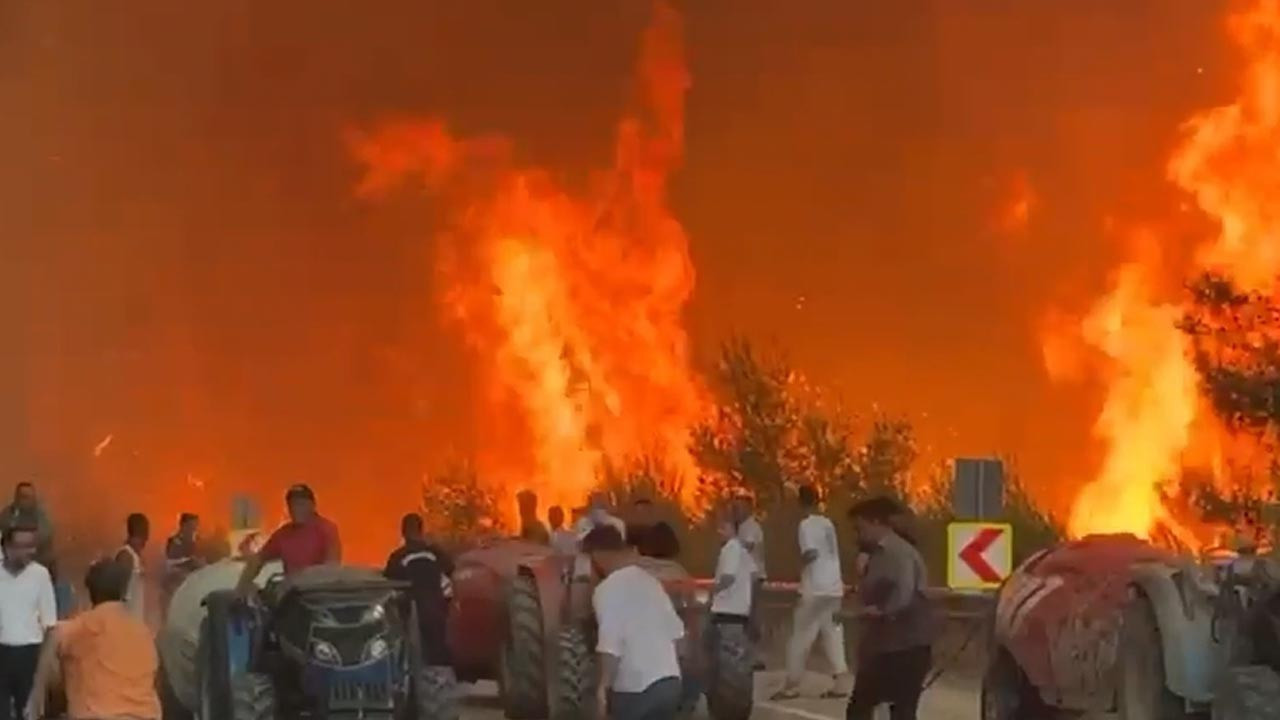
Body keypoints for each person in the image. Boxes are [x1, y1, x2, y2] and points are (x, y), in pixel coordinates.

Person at [25, 559, 160, 720]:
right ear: (124, 593)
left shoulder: (87, 625)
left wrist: (36, 695)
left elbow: (53, 635)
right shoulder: (142, 631)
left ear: (89, 592)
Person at [845, 497, 938, 720]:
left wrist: (880, 612)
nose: (858, 535)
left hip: (903, 647)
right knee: (878, 708)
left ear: (876, 522)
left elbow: (903, 595)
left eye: (860, 528)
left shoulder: (897, 553)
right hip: (888, 646)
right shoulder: (878, 554)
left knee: (880, 709)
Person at [581, 526, 683, 720]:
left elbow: (610, 645)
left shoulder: (606, 590)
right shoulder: (651, 582)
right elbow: (678, 635)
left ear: (597, 556)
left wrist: (602, 689)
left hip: (637, 691)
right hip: (670, 684)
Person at [773, 485, 849, 701]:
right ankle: (841, 680)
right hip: (834, 586)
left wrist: (797, 568)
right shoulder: (828, 523)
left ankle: (791, 685)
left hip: (815, 587)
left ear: (800, 502)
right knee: (832, 632)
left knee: (800, 637)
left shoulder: (806, 525)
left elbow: (811, 553)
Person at [235, 484, 341, 598]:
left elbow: (331, 567)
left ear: (312, 505)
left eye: (301, 504)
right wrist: (242, 585)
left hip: (318, 595)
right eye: (292, 505)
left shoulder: (327, 529)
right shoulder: (283, 534)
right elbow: (258, 559)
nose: (295, 509)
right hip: (292, 595)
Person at [384, 513, 455, 671]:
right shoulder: (435, 552)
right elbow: (451, 570)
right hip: (437, 609)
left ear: (403, 532)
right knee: (439, 651)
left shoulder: (397, 556)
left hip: (410, 614)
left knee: (410, 654)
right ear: (422, 530)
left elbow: (389, 581)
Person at [0, 526, 56, 720]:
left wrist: (42, 674)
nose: (28, 551)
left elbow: (50, 625)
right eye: (21, 546)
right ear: (7, 547)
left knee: (29, 713)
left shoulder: (40, 575)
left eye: (31, 546)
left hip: (29, 654)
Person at [731, 495, 766, 649]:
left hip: (752, 578)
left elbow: (749, 546)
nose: (736, 511)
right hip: (743, 578)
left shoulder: (751, 527)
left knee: (751, 616)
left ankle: (754, 652)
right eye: (734, 508)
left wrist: (731, 541)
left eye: (739, 508)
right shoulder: (740, 527)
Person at [710, 517, 755, 627]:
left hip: (727, 610)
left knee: (726, 643)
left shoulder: (731, 548)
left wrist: (712, 592)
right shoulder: (742, 549)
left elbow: (728, 578)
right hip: (739, 610)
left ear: (734, 530)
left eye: (723, 528)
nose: (719, 531)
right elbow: (754, 575)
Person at [0, 484, 54, 567]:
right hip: (11, 560)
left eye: (31, 497)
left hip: (37, 559)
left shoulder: (40, 514)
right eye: (24, 497)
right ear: (17, 497)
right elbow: (4, 533)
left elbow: (45, 534)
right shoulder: (8, 513)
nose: (28, 500)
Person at [162, 513, 204, 614]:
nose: (194, 530)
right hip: (176, 587)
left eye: (195, 526)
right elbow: (170, 563)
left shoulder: (198, 541)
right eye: (191, 526)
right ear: (183, 526)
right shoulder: (174, 541)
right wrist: (189, 562)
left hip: (194, 588)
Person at [113, 513, 149, 621]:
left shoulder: (138, 556)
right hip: (127, 618)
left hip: (136, 616)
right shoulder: (125, 556)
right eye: (144, 534)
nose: (146, 539)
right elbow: (120, 593)